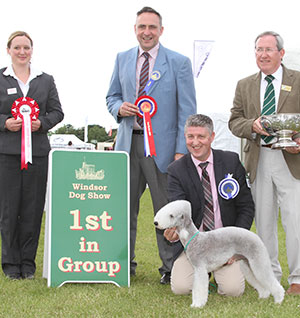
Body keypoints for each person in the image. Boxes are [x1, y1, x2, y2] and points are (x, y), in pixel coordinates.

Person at [106, 7, 196, 283]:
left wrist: (181, 149)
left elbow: (187, 110)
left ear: (161, 30)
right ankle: (123, 264)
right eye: (142, 27)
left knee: (167, 212)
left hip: (164, 152)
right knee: (124, 209)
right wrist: (120, 107)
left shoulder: (179, 62)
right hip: (127, 147)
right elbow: (111, 97)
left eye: (152, 27)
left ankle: (171, 268)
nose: (147, 32)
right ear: (135, 29)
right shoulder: (122, 59)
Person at [229, 31, 300, 295]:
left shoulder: (298, 80)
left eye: (269, 49)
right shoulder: (244, 84)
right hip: (258, 160)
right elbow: (234, 121)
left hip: (291, 160)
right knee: (264, 223)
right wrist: (252, 125)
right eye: (259, 49)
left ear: (281, 53)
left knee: (295, 222)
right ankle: (270, 278)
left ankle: (298, 278)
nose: (263, 54)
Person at [165, 114, 254, 296]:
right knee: (181, 288)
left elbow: (246, 207)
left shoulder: (231, 161)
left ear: (212, 137)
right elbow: (177, 210)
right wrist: (174, 232)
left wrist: (235, 245)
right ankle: (205, 271)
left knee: (233, 291)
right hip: (194, 243)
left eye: (201, 137)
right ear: (185, 138)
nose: (195, 142)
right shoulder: (176, 170)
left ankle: (221, 272)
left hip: (225, 242)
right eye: (191, 137)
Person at [0, 31, 64, 280]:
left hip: (37, 154)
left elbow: (58, 112)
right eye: (17, 47)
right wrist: (5, 122)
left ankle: (28, 264)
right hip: (6, 154)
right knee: (8, 209)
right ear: (9, 50)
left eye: (26, 47)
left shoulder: (45, 80)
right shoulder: (1, 78)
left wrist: (42, 123)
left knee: (33, 209)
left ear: (32, 50)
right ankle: (10, 263)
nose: (22, 52)